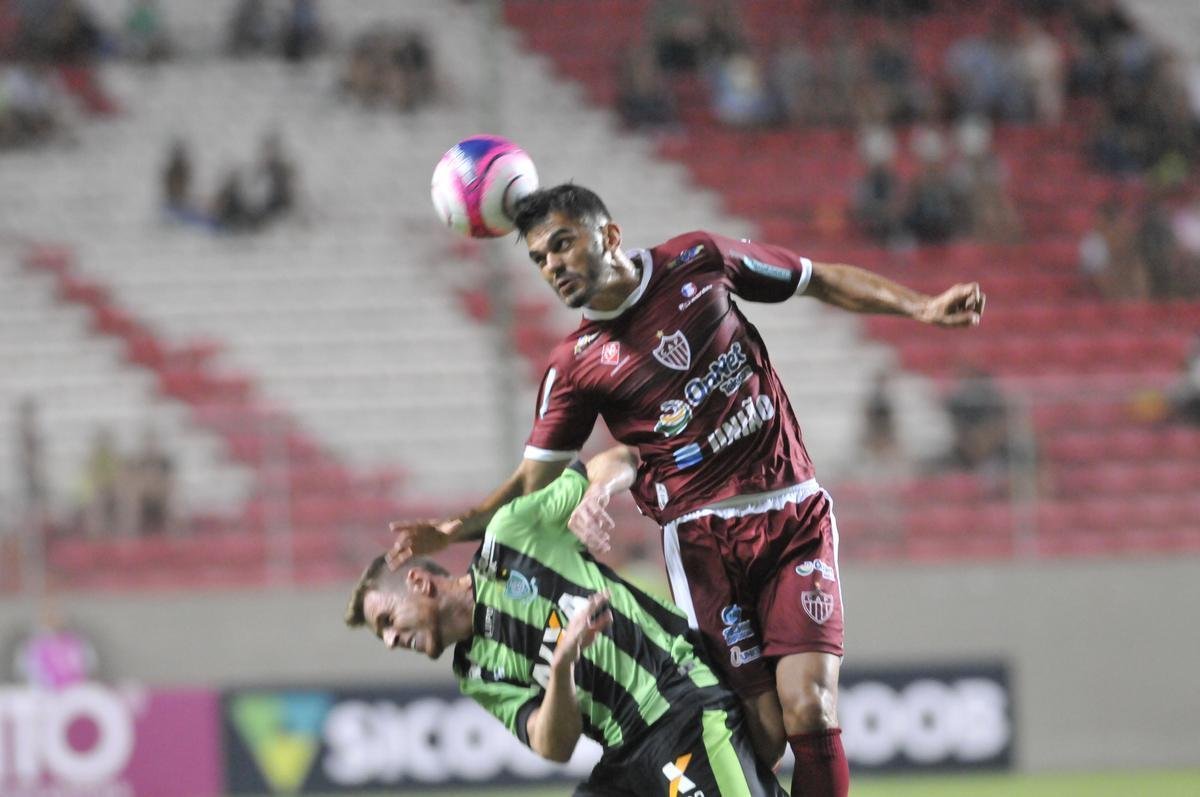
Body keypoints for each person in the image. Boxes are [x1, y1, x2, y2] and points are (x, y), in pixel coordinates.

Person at [387, 183, 986, 797]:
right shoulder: (575, 366)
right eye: (540, 258)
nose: (553, 266)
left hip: (791, 511)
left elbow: (817, 278)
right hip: (702, 545)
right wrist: (455, 527)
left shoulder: (699, 261)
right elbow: (531, 480)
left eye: (562, 245)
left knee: (810, 706)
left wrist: (921, 307)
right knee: (762, 735)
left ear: (609, 235)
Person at [347, 450, 785, 797]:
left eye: (387, 620)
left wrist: (596, 494)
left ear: (419, 582)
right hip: (624, 756)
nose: (390, 640)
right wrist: (560, 669)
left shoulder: (511, 536)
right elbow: (553, 746)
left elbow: (621, 458)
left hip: (676, 703)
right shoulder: (475, 672)